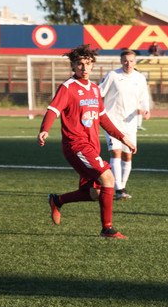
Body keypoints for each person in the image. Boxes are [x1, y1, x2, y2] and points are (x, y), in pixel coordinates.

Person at [37, 44, 137, 239]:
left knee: (96, 193)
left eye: (88, 64)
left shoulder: (93, 89)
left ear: (92, 65)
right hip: (76, 145)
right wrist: (44, 130)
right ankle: (107, 229)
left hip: (92, 147)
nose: (84, 68)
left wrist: (122, 137)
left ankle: (57, 200)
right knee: (109, 178)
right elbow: (53, 110)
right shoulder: (68, 87)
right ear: (73, 66)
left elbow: (103, 118)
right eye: (80, 64)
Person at [99, 49, 150, 200]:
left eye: (131, 61)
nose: (128, 64)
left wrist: (147, 110)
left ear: (135, 62)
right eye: (125, 60)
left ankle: (122, 185)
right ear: (121, 61)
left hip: (130, 123)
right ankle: (119, 189)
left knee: (128, 156)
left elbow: (143, 98)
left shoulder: (140, 78)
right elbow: (99, 92)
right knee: (115, 152)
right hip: (112, 121)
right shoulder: (113, 75)